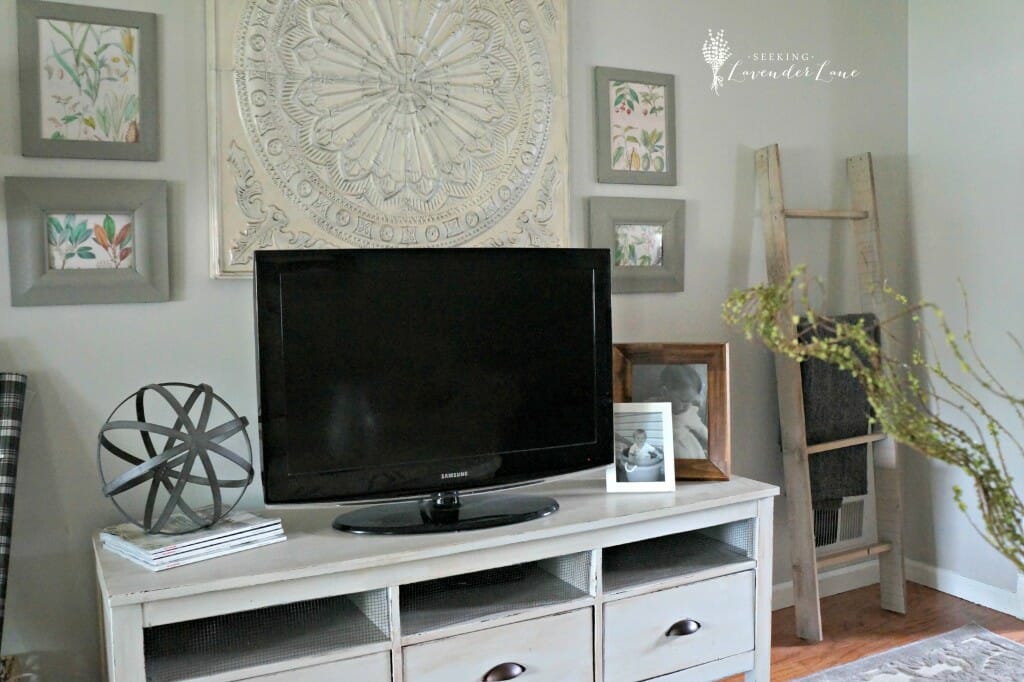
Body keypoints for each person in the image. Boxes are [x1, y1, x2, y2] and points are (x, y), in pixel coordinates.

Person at [659, 365, 709, 459]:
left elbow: (701, 430)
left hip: (683, 447)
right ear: (665, 393)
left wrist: (715, 444)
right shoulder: (655, 406)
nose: (688, 405)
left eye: (690, 401)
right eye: (683, 400)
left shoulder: (688, 414)